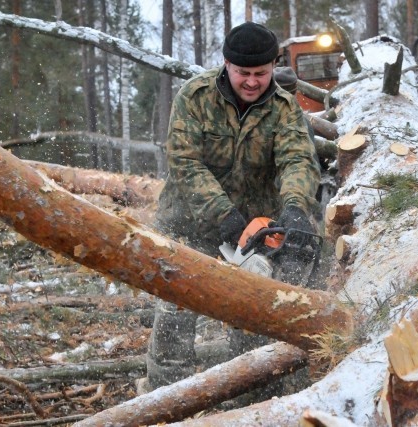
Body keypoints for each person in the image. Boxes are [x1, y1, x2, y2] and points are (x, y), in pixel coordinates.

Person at [144, 22, 321, 390]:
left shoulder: (285, 108)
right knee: (177, 309)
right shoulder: (195, 97)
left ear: (273, 66)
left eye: (261, 73)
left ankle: (250, 395)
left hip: (252, 232)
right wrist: (221, 212)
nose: (253, 82)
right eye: (244, 73)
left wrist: (295, 206)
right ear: (227, 64)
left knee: (252, 311)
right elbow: (184, 162)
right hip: (189, 221)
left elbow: (297, 160)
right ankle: (164, 396)